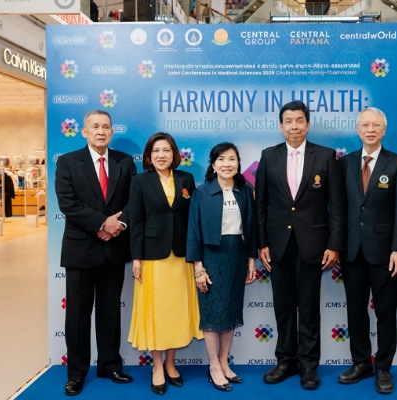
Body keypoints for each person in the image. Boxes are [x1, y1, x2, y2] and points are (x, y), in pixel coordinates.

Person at [255, 100, 346, 390]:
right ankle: (285, 361)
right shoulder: (269, 156)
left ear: (308, 124)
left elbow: (337, 206)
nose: (293, 126)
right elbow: (261, 205)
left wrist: (334, 245)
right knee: (283, 306)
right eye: (288, 121)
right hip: (278, 245)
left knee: (308, 307)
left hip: (313, 245)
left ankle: (308, 364)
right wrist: (262, 243)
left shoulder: (326, 156)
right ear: (280, 126)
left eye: (299, 121)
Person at [55, 110, 136, 396]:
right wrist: (102, 224)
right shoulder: (67, 162)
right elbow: (68, 203)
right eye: (95, 126)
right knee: (77, 315)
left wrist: (117, 225)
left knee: (109, 311)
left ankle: (109, 365)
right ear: (84, 131)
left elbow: (134, 201)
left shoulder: (125, 162)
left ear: (112, 131)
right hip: (80, 250)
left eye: (105, 127)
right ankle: (76, 374)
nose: (101, 131)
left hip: (113, 249)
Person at [337, 107, 397, 394]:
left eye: (375, 125)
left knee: (386, 312)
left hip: (385, 252)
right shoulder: (344, 163)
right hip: (351, 250)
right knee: (355, 310)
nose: (370, 129)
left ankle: (383, 368)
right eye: (365, 125)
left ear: (384, 130)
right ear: (357, 130)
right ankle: (361, 363)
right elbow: (338, 209)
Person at [127, 132, 203, 395]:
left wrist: (196, 255)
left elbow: (193, 219)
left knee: (175, 312)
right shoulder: (140, 181)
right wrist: (136, 258)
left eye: (166, 150)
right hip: (152, 257)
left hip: (181, 256)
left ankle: (171, 363)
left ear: (174, 154)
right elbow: (136, 221)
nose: (161, 155)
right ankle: (157, 366)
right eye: (156, 151)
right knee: (157, 313)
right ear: (149, 156)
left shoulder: (186, 179)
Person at [186, 142, 257, 392]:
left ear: (238, 164)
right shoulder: (202, 193)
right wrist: (198, 268)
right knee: (212, 314)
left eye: (232, 159)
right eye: (221, 160)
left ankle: (224, 361)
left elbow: (252, 227)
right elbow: (193, 232)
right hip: (211, 257)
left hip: (237, 255)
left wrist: (251, 259)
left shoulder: (245, 192)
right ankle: (214, 366)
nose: (227, 164)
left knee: (230, 312)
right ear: (214, 165)